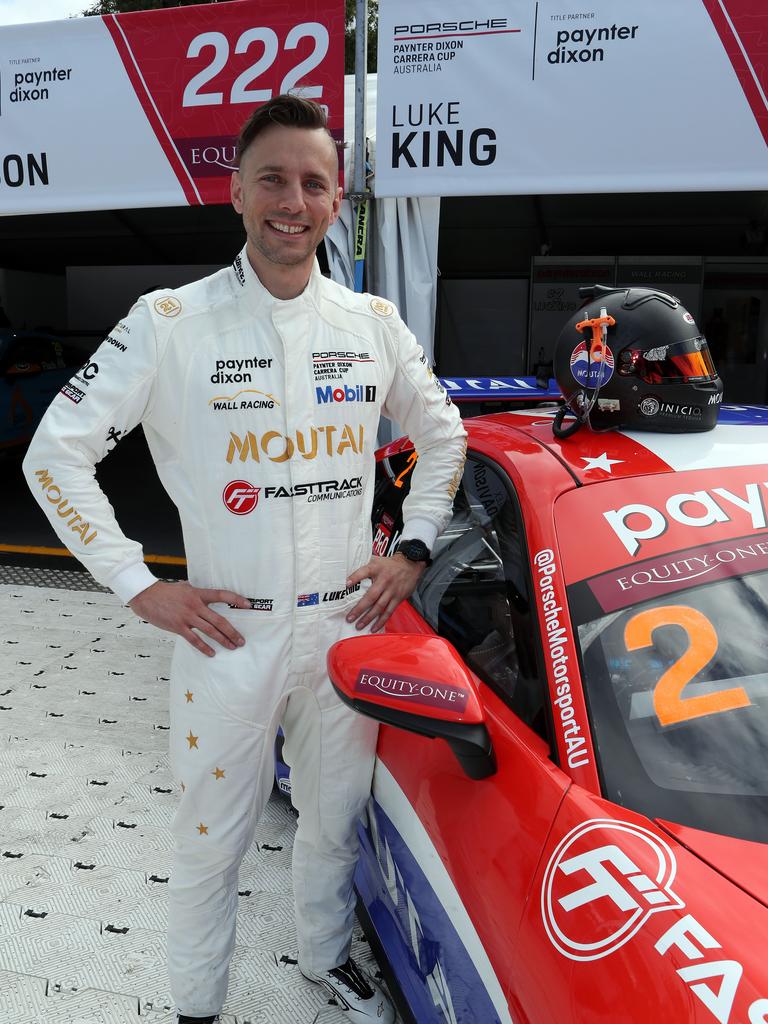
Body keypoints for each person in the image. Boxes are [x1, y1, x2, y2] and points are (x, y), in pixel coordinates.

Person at [22, 95, 467, 1024]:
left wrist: (415, 547)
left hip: (346, 626)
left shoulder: (371, 321)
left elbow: (443, 431)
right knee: (209, 843)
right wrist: (139, 585)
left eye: (313, 182)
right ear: (235, 192)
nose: (291, 200)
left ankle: (322, 959)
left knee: (334, 821)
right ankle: (197, 1007)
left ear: (339, 199)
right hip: (231, 636)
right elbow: (53, 454)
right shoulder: (169, 319)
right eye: (272, 178)